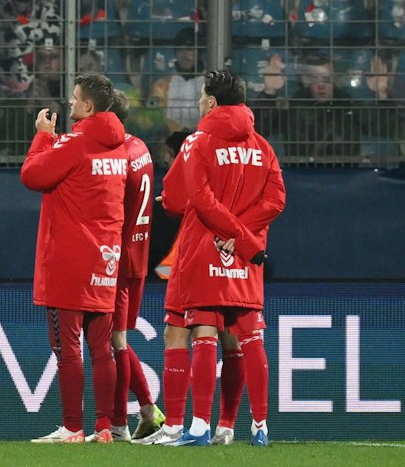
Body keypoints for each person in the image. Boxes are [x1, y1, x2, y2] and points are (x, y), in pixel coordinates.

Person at [151, 68, 283, 447]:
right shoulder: (263, 146)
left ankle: (196, 427)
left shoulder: (198, 142)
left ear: (210, 100)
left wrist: (231, 235)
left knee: (203, 329)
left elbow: (186, 200)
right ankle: (249, 426)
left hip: (206, 246)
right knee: (246, 336)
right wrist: (245, 237)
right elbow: (276, 200)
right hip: (246, 254)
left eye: (200, 97)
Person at [21, 74, 129, 443]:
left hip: (69, 260)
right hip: (106, 258)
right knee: (102, 350)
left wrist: (42, 136)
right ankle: (104, 425)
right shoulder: (120, 147)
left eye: (75, 99)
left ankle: (71, 427)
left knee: (68, 350)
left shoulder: (75, 143)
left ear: (89, 107)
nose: (69, 104)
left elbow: (32, 175)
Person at [108, 100, 163, 441]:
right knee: (119, 342)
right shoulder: (140, 146)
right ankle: (147, 411)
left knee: (115, 343)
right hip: (138, 256)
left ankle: (118, 425)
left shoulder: (118, 156)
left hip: (118, 259)